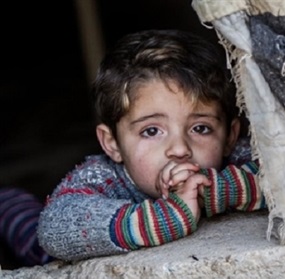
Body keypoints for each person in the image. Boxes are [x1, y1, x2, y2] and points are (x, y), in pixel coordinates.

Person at [36, 29, 266, 262]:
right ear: (112, 143)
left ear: (229, 136)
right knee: (24, 229)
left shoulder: (238, 158)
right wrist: (164, 218)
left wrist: (217, 189)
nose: (179, 149)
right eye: (152, 131)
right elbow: (54, 227)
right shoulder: (103, 176)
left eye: (200, 128)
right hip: (40, 252)